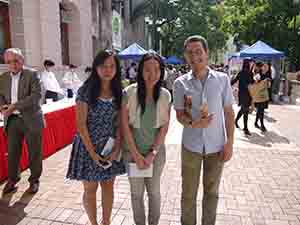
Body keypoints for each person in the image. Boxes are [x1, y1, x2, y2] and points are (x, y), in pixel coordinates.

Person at [173, 35, 235, 225]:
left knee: (212, 193)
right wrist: (193, 124)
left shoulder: (222, 80)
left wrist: (229, 144)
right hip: (191, 147)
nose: (194, 56)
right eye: (190, 52)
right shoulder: (180, 83)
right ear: (185, 56)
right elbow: (179, 114)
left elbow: (229, 113)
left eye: (198, 51)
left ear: (206, 53)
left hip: (216, 147)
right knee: (188, 194)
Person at [66, 50, 126, 225]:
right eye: (103, 66)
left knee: (108, 186)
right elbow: (81, 125)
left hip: (110, 147)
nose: (107, 70)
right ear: (96, 68)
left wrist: (116, 149)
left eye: (112, 66)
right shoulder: (86, 91)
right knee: (90, 188)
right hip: (88, 146)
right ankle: (94, 223)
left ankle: (106, 222)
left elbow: (120, 123)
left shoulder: (118, 91)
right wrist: (93, 154)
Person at [121, 52, 171, 225]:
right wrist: (135, 155)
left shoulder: (165, 95)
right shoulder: (129, 93)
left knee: (154, 193)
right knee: (136, 194)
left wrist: (152, 153)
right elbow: (125, 126)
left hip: (155, 155)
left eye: (157, 69)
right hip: (133, 154)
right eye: (148, 69)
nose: (152, 74)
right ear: (141, 71)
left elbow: (164, 128)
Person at [0, 48, 45, 194]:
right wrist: (2, 107)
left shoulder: (32, 74)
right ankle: (13, 180)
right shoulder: (3, 77)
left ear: (22, 60)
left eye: (16, 61)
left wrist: (14, 106)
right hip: (12, 121)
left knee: (34, 152)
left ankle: (34, 181)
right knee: (12, 153)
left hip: (31, 119)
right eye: (9, 62)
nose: (12, 65)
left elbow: (36, 96)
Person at [231, 59, 254, 135]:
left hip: (242, 94)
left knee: (243, 109)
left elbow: (234, 81)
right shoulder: (250, 73)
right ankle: (245, 128)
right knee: (245, 111)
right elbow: (252, 83)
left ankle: (236, 121)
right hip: (248, 94)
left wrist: (227, 84)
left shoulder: (241, 73)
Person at [253, 62, 270, 132]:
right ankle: (262, 125)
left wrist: (267, 82)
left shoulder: (266, 75)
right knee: (261, 110)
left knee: (260, 110)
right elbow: (255, 84)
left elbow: (269, 86)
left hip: (263, 95)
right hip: (259, 95)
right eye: (264, 67)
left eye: (266, 67)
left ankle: (256, 122)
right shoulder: (257, 75)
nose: (265, 68)